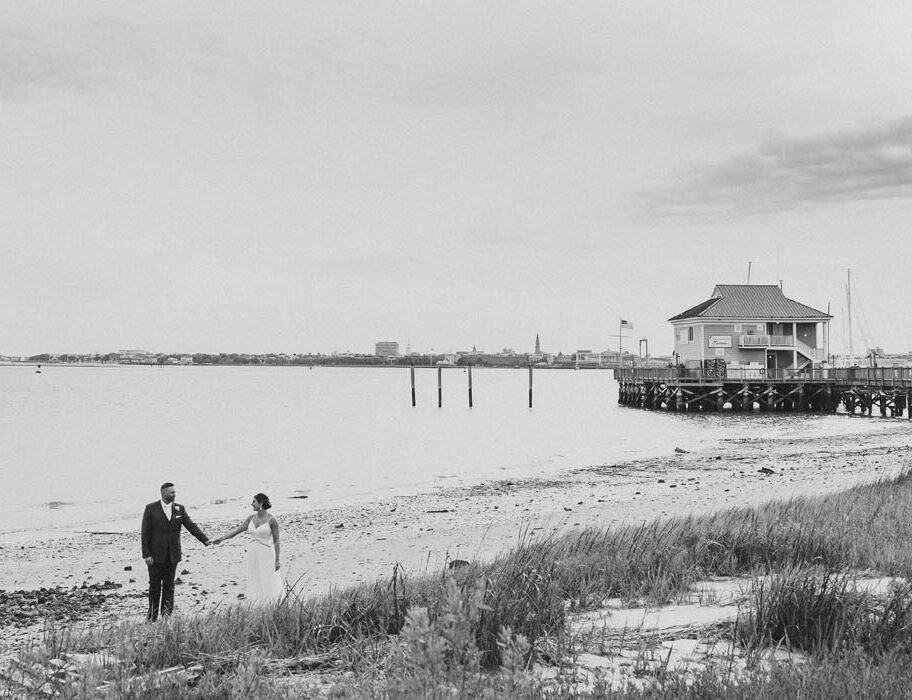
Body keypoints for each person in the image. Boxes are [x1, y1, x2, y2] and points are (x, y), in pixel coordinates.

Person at [141, 482, 211, 621]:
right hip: (155, 556)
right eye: (171, 492)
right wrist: (146, 554)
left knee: (169, 586)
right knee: (154, 587)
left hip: (173, 554)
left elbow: (191, 526)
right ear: (163, 493)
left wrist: (205, 540)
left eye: (175, 492)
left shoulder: (180, 509)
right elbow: (145, 533)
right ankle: (152, 617)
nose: (174, 494)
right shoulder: (150, 509)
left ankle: (167, 615)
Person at [212, 493, 284, 604]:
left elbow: (277, 542)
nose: (251, 504)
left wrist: (277, 560)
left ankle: (272, 603)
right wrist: (221, 539)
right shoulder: (251, 518)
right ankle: (257, 603)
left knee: (268, 578)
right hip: (253, 553)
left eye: (254, 501)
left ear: (261, 503)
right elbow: (236, 531)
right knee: (255, 577)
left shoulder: (272, 520)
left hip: (266, 553)